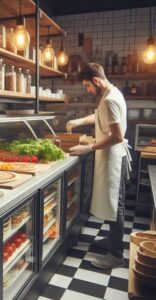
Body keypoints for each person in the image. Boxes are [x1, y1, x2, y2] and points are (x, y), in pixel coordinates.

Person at [66, 63, 131, 269]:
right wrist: (78, 121)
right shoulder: (111, 94)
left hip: (114, 158)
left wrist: (88, 148)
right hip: (109, 156)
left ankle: (116, 255)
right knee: (112, 204)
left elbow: (117, 136)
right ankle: (113, 241)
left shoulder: (110, 99)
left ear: (95, 80)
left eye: (87, 86)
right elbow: (99, 117)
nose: (88, 90)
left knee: (115, 206)